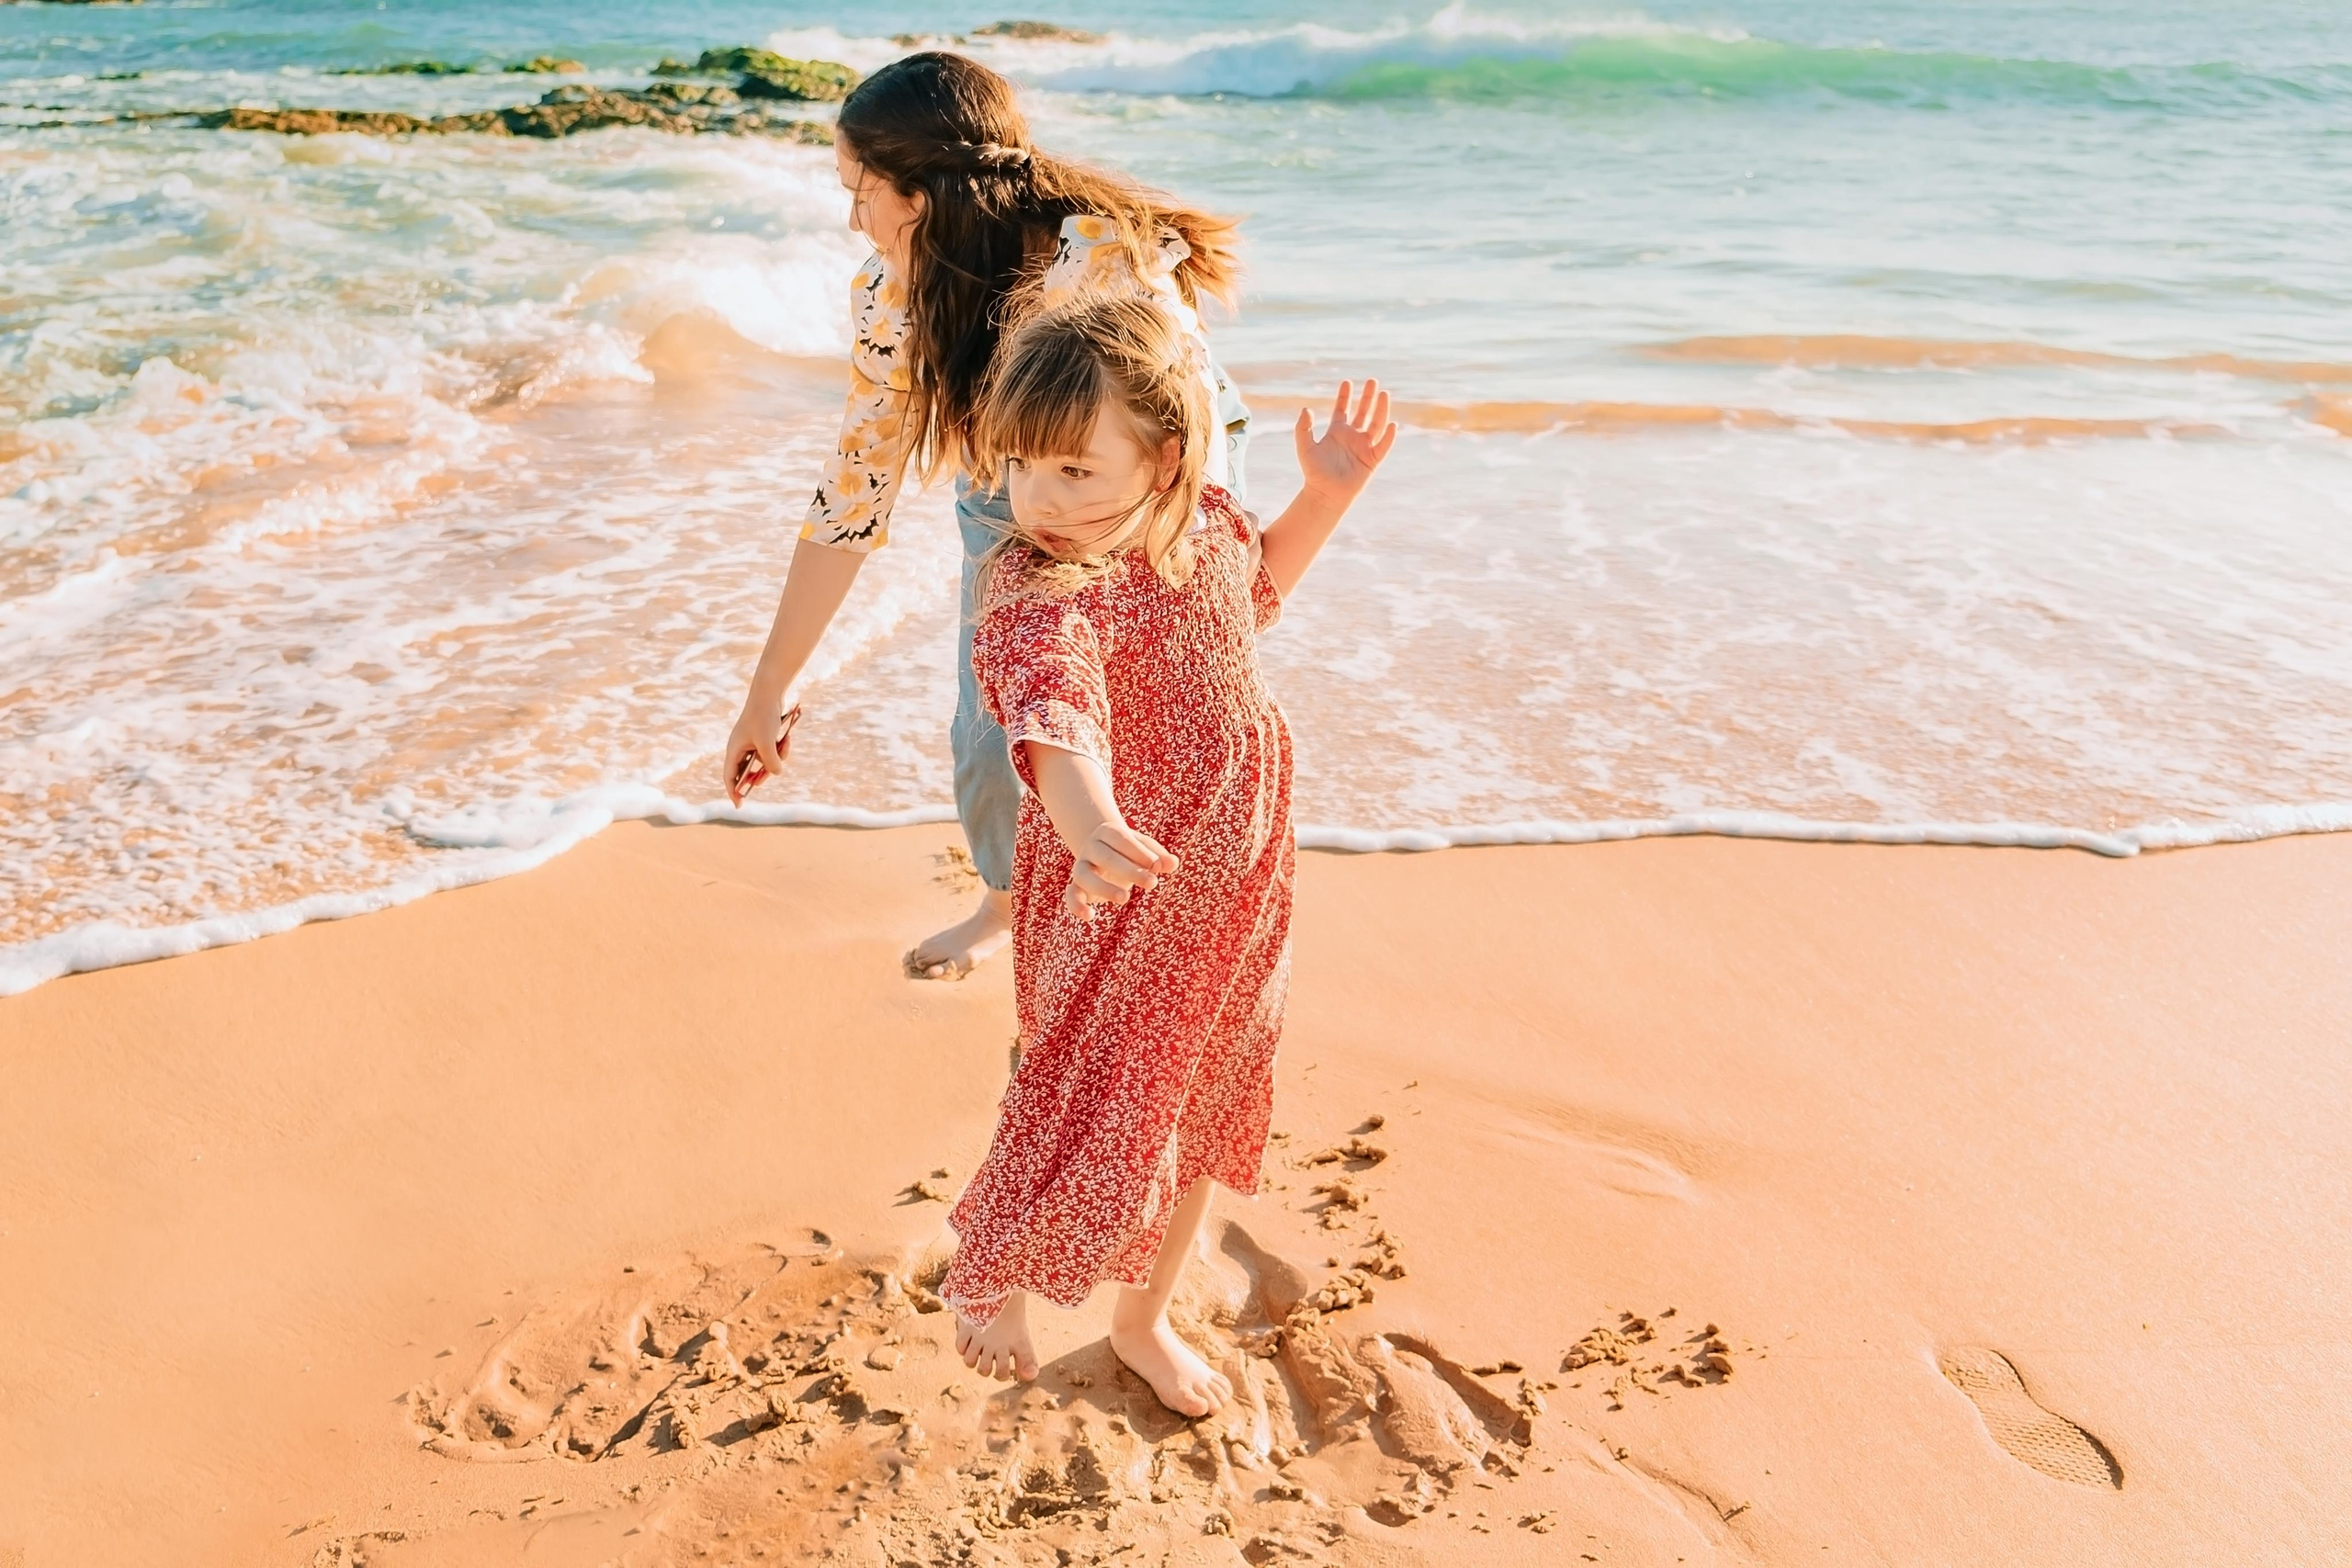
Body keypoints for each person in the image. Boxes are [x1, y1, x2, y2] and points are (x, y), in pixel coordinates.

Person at [935, 288, 1395, 1416]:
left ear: (1167, 454)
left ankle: (1142, 1319)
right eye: (1018, 469)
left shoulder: (1213, 530)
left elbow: (1260, 592)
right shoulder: (1038, 589)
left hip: (1236, 877)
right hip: (1112, 887)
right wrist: (1086, 821)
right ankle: (992, 1283)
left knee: (1212, 1089)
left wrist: (1325, 495)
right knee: (1086, 1088)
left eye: (1073, 472)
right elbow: (1050, 715)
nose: (1036, 502)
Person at [720, 52, 1250, 981]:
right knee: (991, 728)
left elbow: (1186, 437)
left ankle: (1149, 923)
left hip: (1163, 467)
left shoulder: (1103, 266)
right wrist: (769, 690)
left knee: (1144, 707)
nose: (854, 219)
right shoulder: (890, 295)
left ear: (920, 195)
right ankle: (1008, 900)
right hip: (1003, 481)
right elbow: (853, 497)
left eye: (860, 190)